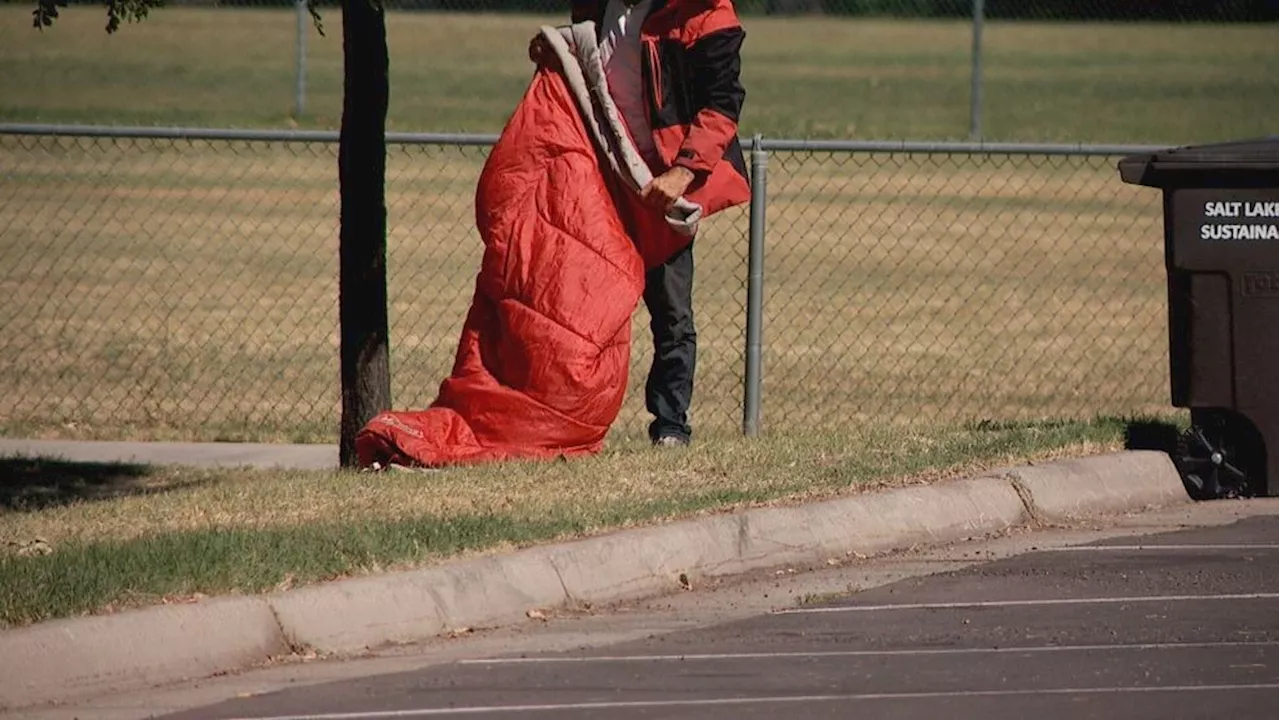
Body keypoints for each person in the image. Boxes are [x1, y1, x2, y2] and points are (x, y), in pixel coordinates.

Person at [529, 0, 750, 447]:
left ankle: (670, 426)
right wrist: (555, 48)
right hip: (600, 176)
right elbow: (590, 63)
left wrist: (684, 171)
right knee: (576, 309)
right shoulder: (597, 6)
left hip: (661, 185)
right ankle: (564, 422)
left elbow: (722, 104)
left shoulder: (702, 12)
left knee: (671, 313)